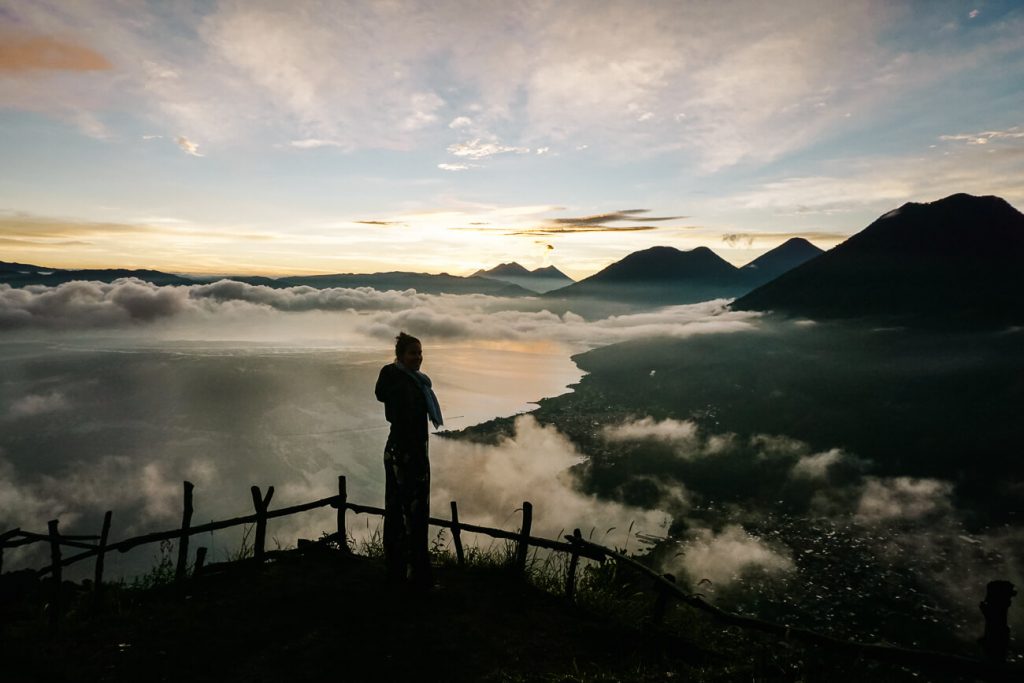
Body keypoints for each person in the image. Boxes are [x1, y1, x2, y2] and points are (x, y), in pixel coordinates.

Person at [374, 331, 443, 590]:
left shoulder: (418, 382)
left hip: (412, 453)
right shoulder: (397, 378)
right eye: (413, 353)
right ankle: (407, 574)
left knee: (411, 513)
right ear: (400, 356)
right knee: (406, 515)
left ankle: (407, 573)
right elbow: (384, 396)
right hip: (404, 453)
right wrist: (394, 371)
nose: (418, 357)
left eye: (420, 352)